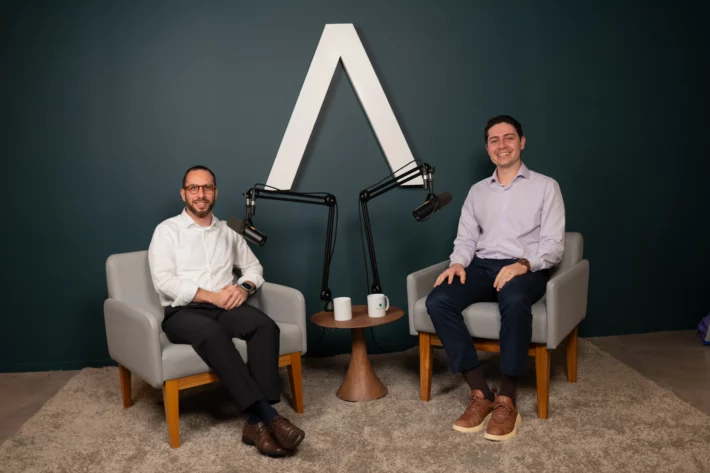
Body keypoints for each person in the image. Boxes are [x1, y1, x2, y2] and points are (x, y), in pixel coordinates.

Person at [148, 165, 305, 457]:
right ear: (183, 194)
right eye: (194, 188)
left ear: (215, 192)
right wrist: (212, 297)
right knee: (212, 333)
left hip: (226, 306)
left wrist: (243, 288)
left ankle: (255, 423)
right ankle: (270, 416)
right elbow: (164, 281)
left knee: (265, 326)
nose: (201, 194)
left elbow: (254, 267)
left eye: (207, 187)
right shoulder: (166, 231)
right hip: (183, 313)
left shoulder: (229, 230)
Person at [425, 115, 565, 441]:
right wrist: (458, 263)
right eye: (494, 140)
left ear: (522, 142)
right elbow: (466, 238)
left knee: (514, 299)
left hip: (525, 268)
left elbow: (554, 246)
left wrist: (523, 264)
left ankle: (507, 399)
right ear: (488, 148)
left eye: (509, 138)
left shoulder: (546, 187)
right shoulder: (477, 192)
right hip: (482, 266)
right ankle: (481, 393)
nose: (502, 145)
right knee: (438, 300)